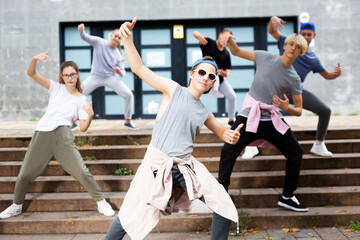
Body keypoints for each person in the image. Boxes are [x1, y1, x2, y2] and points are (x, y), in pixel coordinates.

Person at [104, 17, 242, 240]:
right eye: (202, 72)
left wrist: (231, 135)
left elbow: (221, 131)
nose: (206, 78)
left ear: (213, 82)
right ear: (192, 73)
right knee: (129, 215)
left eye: (211, 76)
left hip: (186, 166)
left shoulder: (204, 111)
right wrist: (127, 40)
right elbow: (138, 68)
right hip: (157, 164)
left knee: (223, 204)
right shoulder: (172, 90)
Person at [0, 52, 115, 219]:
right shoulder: (55, 87)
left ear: (77, 75)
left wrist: (89, 116)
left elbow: (82, 128)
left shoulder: (82, 99)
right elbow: (31, 74)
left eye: (73, 74)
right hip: (42, 134)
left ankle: (101, 203)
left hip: (63, 136)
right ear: (62, 76)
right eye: (66, 75)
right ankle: (16, 206)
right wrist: (34, 59)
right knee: (24, 174)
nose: (70, 78)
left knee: (82, 171)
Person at [218, 31, 309, 212]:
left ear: (301, 52)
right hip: (249, 114)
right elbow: (236, 52)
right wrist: (229, 40)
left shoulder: (294, 78)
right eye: (291, 44)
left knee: (296, 152)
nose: (293, 48)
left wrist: (287, 107)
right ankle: (221, 194)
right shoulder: (265, 57)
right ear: (284, 46)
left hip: (270, 119)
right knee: (228, 149)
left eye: (298, 47)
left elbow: (298, 110)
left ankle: (287, 196)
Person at [266, 16, 342, 157]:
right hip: (276, 89)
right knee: (258, 107)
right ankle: (251, 146)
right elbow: (272, 32)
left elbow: (326, 75)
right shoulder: (288, 42)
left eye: (309, 35)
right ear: (299, 34)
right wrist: (272, 20)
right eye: (303, 34)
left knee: (325, 110)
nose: (306, 37)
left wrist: (335, 74)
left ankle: (319, 145)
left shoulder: (313, 58)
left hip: (296, 91)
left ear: (314, 36)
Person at [78, 23, 137, 129]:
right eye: (115, 36)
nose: (117, 39)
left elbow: (123, 73)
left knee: (129, 95)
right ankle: (72, 121)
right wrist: (81, 30)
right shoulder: (99, 42)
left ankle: (128, 121)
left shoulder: (118, 55)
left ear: (120, 41)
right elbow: (84, 37)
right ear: (111, 36)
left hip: (110, 77)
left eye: (119, 38)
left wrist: (119, 71)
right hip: (95, 76)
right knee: (77, 94)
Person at [192, 29, 237, 127]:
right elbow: (194, 33)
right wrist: (198, 35)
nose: (225, 40)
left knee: (232, 96)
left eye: (228, 39)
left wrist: (225, 74)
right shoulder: (209, 43)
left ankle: (230, 120)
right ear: (220, 35)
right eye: (224, 37)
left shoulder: (226, 53)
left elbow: (228, 69)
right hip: (205, 78)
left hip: (219, 80)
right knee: (194, 96)